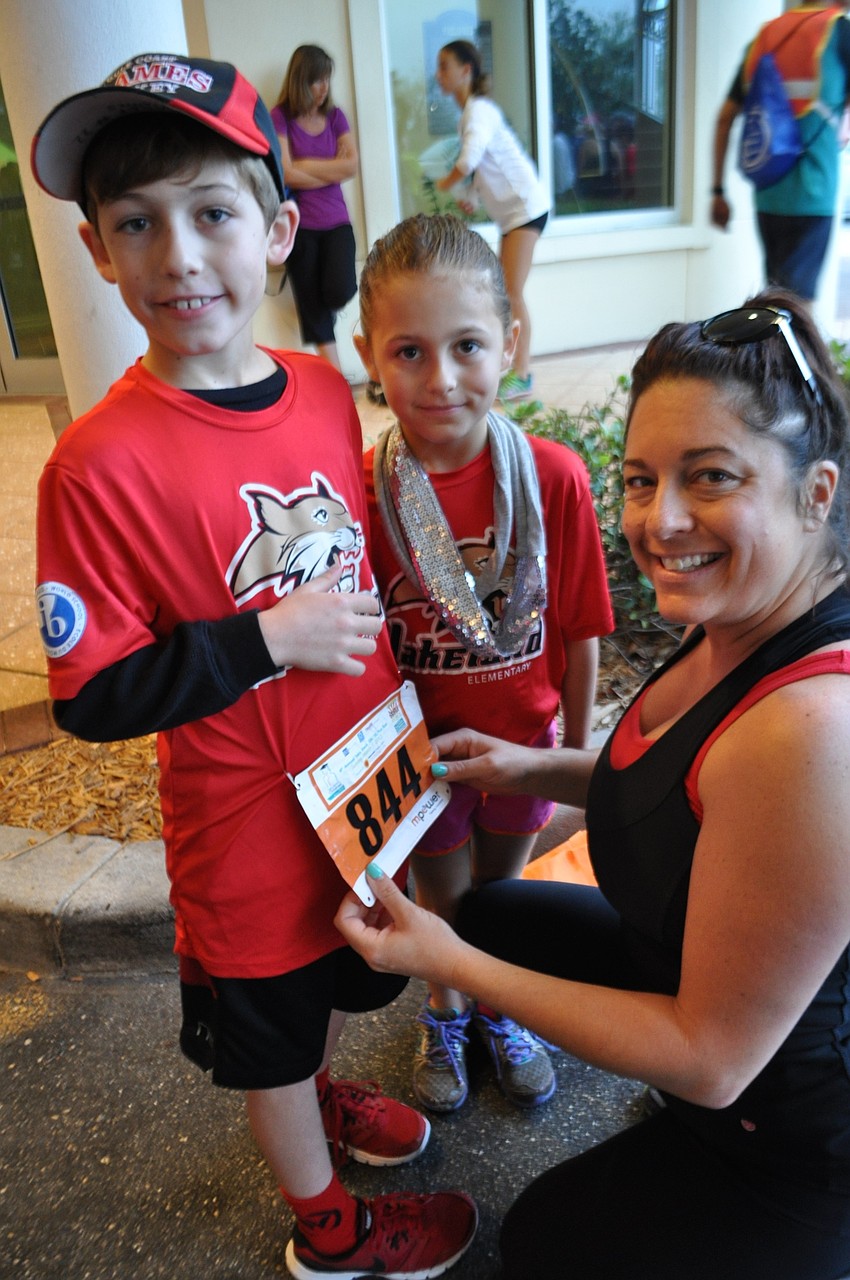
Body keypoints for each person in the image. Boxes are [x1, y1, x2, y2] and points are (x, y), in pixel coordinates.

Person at [30, 53, 477, 1280]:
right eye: (137, 223)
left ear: (280, 232)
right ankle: (328, 1228)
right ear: (97, 250)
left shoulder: (327, 389)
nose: (178, 254)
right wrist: (264, 640)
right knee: (268, 1038)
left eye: (212, 212)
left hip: (357, 793)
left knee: (332, 984)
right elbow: (92, 695)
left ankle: (320, 1102)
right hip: (241, 830)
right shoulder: (96, 463)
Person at [338, 287, 850, 1278]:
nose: (659, 521)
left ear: (816, 491)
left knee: (535, 1244)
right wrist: (535, 764)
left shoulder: (812, 728)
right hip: (687, 978)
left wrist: (454, 962)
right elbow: (689, 784)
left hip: (779, 1128)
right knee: (491, 910)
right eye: (641, 477)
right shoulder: (745, 609)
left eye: (709, 476)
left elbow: (712, 1053)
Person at [355, 212, 613, 1115]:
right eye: (409, 352)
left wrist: (578, 761)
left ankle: (502, 1002)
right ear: (367, 353)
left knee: (502, 895)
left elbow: (579, 629)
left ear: (508, 342)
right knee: (442, 894)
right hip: (420, 758)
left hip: (526, 742)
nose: (441, 379)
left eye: (466, 346)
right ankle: (446, 1005)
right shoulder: (363, 491)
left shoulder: (553, 478)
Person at [433, 40, 549, 402]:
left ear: (466, 70)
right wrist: (470, 196)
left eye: (445, 66)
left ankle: (523, 374)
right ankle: (512, 367)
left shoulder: (478, 110)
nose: (439, 74)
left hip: (525, 210)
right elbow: (483, 167)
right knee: (505, 293)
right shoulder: (472, 112)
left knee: (511, 295)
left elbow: (469, 159)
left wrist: (446, 182)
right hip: (514, 214)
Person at [711, 1, 850, 302]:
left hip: (768, 193)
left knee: (776, 300)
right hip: (814, 194)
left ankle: (770, 349)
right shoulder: (839, 30)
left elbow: (724, 118)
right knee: (796, 309)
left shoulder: (765, 37)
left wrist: (718, 192)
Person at [270, 45, 358, 371]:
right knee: (315, 311)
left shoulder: (336, 117)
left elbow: (351, 167)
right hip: (300, 226)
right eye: (316, 80)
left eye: (326, 80)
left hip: (337, 222)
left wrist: (306, 163)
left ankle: (326, 318)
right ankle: (337, 382)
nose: (323, 88)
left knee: (339, 290)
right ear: (300, 80)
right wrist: (329, 168)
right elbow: (286, 172)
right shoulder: (280, 117)